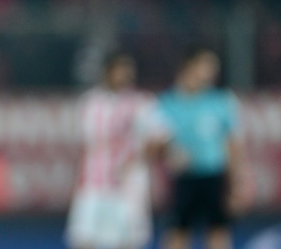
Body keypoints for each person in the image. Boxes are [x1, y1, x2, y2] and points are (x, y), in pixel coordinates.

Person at [65, 52, 168, 249]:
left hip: (127, 185)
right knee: (83, 240)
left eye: (129, 70)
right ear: (107, 72)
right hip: (93, 184)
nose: (125, 75)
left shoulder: (142, 103)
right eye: (120, 70)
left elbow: (161, 138)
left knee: (127, 241)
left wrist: (138, 158)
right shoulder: (90, 102)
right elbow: (85, 144)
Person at [157, 46, 249, 249]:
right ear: (190, 67)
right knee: (178, 230)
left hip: (214, 175)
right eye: (207, 66)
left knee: (218, 230)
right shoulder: (167, 102)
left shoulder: (221, 101)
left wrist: (237, 182)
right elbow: (156, 143)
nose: (212, 71)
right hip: (183, 178)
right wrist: (169, 152)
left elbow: (233, 143)